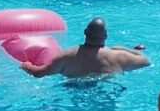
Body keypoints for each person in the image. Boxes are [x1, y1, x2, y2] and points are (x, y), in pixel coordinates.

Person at [21, 18, 150, 79]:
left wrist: (26, 65)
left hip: (75, 91)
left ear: (85, 32)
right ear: (105, 36)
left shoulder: (66, 56)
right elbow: (145, 61)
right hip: (106, 89)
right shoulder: (118, 56)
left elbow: (39, 73)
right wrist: (122, 48)